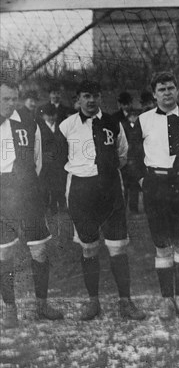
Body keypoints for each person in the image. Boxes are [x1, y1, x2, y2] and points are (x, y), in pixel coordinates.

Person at [60, 80, 145, 321]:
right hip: (80, 190)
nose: (91, 100)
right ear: (78, 98)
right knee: (88, 248)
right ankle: (93, 302)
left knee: (117, 246)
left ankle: (125, 302)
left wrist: (105, 171)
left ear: (100, 98)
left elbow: (122, 154)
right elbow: (58, 157)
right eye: (86, 96)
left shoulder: (112, 122)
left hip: (109, 189)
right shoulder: (67, 125)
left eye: (95, 96)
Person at [130, 72, 179, 321]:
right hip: (157, 186)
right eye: (162, 89)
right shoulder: (143, 120)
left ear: (177, 91)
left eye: (171, 88)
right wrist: (145, 182)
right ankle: (166, 300)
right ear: (154, 93)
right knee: (162, 245)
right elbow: (132, 157)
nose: (167, 93)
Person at [0, 80, 64, 329]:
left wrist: (27, 184)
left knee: (39, 249)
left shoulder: (28, 121)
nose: (10, 104)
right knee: (4, 252)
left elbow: (37, 159)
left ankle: (42, 304)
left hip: (26, 192)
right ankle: (10, 308)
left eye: (12, 98)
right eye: (4, 99)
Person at [37, 106, 68, 215]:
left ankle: (57, 205)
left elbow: (65, 145)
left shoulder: (61, 128)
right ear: (43, 115)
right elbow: (36, 146)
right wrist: (42, 156)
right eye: (47, 115)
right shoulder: (39, 128)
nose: (50, 117)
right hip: (45, 164)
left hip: (59, 163)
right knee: (44, 186)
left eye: (53, 114)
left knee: (59, 185)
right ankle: (45, 206)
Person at [119, 109, 141, 213]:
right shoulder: (123, 126)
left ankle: (134, 207)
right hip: (126, 161)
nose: (135, 118)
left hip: (135, 161)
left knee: (134, 187)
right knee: (125, 186)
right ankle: (123, 206)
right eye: (134, 116)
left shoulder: (139, 127)